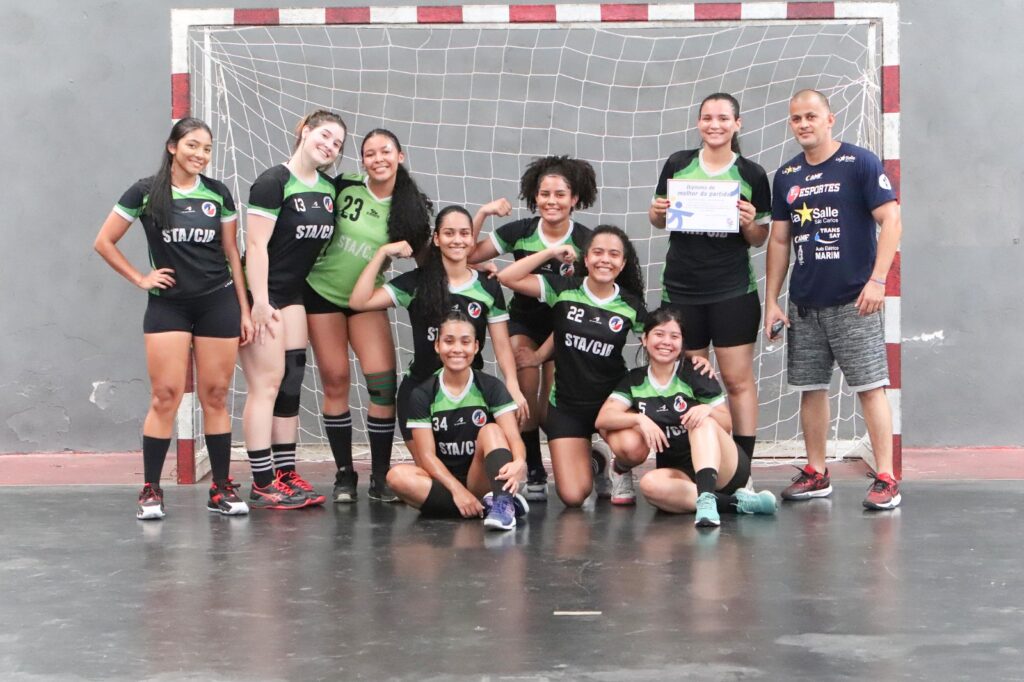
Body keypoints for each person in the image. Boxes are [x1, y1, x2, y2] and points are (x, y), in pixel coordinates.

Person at [94, 117, 251, 519]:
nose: (200, 154)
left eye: (207, 148)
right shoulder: (146, 192)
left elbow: (232, 255)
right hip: (170, 306)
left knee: (215, 396)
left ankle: (220, 487)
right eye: (192, 146)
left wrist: (245, 310)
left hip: (218, 303)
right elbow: (104, 241)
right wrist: (141, 279)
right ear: (172, 147)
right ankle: (150, 489)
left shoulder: (218, 194)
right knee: (165, 396)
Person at [764, 89, 902, 510]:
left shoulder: (859, 163)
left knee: (870, 388)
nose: (803, 124)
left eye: (811, 116)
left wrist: (878, 280)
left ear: (830, 119)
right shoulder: (786, 175)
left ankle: (886, 477)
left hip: (854, 302)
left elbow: (891, 219)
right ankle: (817, 472)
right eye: (796, 119)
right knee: (811, 389)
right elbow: (780, 240)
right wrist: (772, 300)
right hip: (806, 305)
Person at [305, 129, 433, 503]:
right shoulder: (344, 184)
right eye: (370, 153)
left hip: (366, 300)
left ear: (400, 156)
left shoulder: (411, 208)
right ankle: (345, 474)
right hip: (322, 293)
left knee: (381, 386)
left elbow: (429, 260)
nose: (378, 158)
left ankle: (379, 476)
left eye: (386, 152)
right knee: (335, 381)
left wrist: (472, 269)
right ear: (362, 161)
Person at [648, 93, 772, 471]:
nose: (714, 124)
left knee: (736, 381)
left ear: (737, 124)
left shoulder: (751, 174)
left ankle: (743, 467)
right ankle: (692, 464)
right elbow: (659, 221)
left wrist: (750, 222)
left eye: (722, 118)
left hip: (733, 291)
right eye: (707, 117)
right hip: (682, 291)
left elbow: (759, 238)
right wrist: (655, 213)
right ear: (698, 123)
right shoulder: (678, 164)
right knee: (691, 383)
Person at [349, 205, 528, 452]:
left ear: (472, 239)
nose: (457, 240)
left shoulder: (487, 287)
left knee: (485, 459)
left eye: (464, 233)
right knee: (432, 478)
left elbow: (501, 345)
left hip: (469, 395)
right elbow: (358, 301)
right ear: (436, 238)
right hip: (420, 393)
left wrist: (513, 386)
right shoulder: (416, 282)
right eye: (449, 233)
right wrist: (382, 253)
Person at [470, 156, 598, 502]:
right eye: (544, 194)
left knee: (550, 408)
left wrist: (547, 352)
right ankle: (534, 468)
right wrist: (483, 213)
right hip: (525, 320)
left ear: (574, 199)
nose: (551, 201)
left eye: (560, 194)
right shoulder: (520, 232)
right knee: (522, 397)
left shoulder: (587, 242)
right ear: (534, 197)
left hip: (566, 327)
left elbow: (588, 301)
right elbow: (468, 255)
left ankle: (589, 459)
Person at [240, 109, 347, 509]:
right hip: (263, 296)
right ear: (303, 131)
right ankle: (262, 480)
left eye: (337, 143)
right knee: (265, 386)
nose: (329, 145)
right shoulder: (273, 182)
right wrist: (260, 303)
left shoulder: (329, 188)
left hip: (294, 295)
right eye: (324, 135)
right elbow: (257, 247)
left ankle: (284, 473)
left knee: (290, 385)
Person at [498, 225, 647, 508]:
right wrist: (552, 251)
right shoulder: (564, 289)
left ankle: (620, 468)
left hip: (609, 405)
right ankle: (595, 460)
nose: (605, 259)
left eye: (614, 254)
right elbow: (507, 277)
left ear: (623, 263)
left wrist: (693, 363)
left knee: (633, 449)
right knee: (573, 496)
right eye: (598, 253)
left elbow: (659, 342)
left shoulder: (630, 305)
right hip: (567, 406)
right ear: (585, 259)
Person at [595, 307, 777, 526]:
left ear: (682, 344)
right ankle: (736, 504)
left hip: (724, 469)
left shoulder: (695, 372)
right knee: (649, 485)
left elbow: (726, 424)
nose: (666, 342)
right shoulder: (635, 381)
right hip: (681, 471)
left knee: (700, 421)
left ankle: (710, 499)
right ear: (644, 339)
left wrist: (706, 410)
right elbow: (603, 419)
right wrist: (639, 419)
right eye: (659, 334)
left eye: (674, 336)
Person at [387, 312, 530, 531]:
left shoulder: (491, 387)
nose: (457, 349)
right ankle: (490, 505)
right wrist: (457, 491)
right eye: (449, 341)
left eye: (465, 342)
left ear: (476, 347)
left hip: (480, 478)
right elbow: (426, 456)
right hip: (443, 481)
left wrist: (520, 460)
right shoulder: (422, 393)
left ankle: (501, 504)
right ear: (437, 346)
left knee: (491, 430)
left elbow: (513, 438)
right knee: (396, 477)